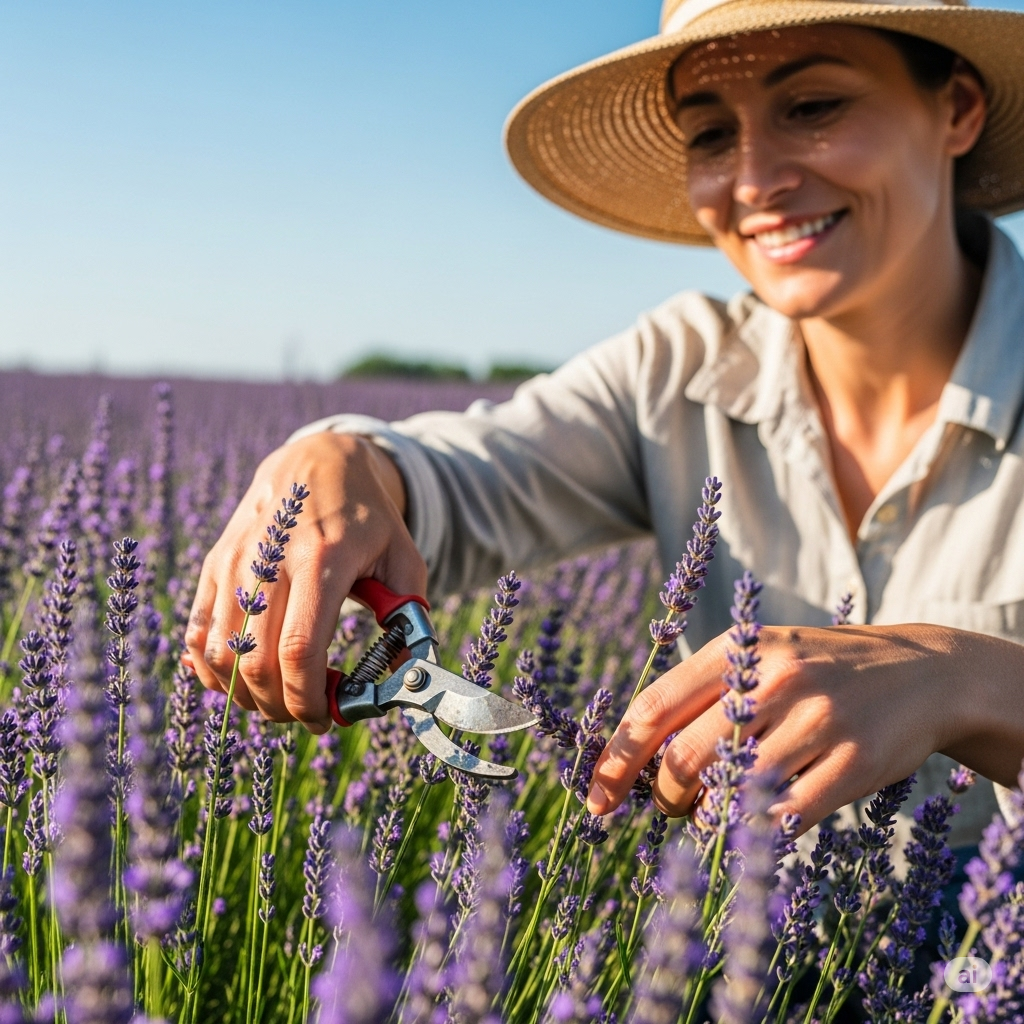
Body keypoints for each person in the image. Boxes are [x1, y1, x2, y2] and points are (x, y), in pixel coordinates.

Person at [185, 0, 1024, 853]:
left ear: (956, 109)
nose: (754, 179)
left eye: (812, 109)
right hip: (728, 967)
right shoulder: (676, 367)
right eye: (709, 136)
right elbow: (476, 475)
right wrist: (343, 463)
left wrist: (965, 679)